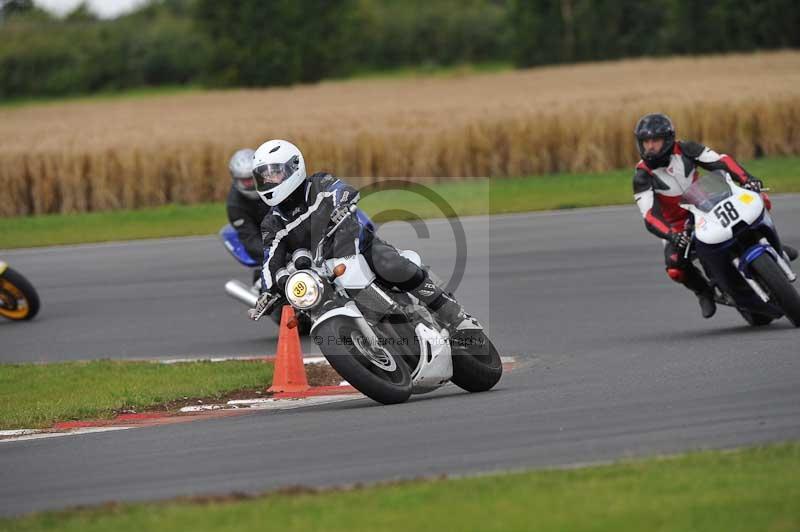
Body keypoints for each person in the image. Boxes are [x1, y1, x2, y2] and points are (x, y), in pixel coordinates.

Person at [247, 139, 471, 332]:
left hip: (357, 247)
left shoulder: (319, 183)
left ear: (294, 167)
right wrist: (267, 292)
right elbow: (271, 259)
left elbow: (342, 190)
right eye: (263, 177)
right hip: (322, 273)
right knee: (311, 307)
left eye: (274, 173)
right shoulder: (272, 223)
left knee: (392, 265)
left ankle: (451, 311)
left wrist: (342, 204)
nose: (269, 182)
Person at [632, 113, 765, 318]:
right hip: (677, 225)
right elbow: (649, 216)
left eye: (655, 141)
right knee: (675, 266)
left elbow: (721, 161)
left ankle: (769, 245)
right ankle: (703, 292)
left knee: (758, 198)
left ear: (667, 140)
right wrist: (671, 234)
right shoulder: (642, 175)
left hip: (707, 202)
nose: (649, 147)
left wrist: (747, 179)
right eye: (645, 142)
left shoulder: (687, 149)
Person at [225, 148, 269, 283]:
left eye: (254, 178)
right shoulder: (235, 205)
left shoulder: (274, 184)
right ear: (236, 179)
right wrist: (280, 253)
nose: (251, 183)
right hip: (262, 240)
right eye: (246, 181)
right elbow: (251, 240)